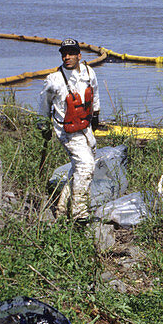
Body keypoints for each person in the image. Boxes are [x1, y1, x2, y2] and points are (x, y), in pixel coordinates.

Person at [38, 39, 100, 221]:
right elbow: (43, 105)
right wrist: (43, 125)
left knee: (80, 165)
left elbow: (95, 95)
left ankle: (62, 208)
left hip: (86, 127)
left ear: (79, 55)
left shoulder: (89, 73)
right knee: (86, 164)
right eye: (64, 54)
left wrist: (96, 115)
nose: (67, 57)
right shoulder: (53, 80)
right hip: (66, 131)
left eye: (71, 53)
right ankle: (79, 212)